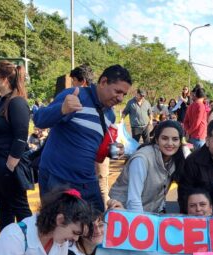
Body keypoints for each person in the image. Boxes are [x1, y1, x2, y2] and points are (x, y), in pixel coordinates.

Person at [35, 65, 132, 211]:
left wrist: (113, 151)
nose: (120, 98)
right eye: (117, 91)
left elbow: (96, 148)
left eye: (124, 94)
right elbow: (39, 119)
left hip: (88, 180)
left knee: (98, 219)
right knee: (60, 223)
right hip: (59, 180)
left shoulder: (110, 115)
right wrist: (61, 109)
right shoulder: (76, 95)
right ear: (103, 82)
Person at [0, 60, 31, 232]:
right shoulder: (1, 101)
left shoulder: (16, 103)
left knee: (19, 206)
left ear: (4, 80)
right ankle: (7, 242)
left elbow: (21, 136)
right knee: (3, 206)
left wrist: (10, 165)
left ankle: (29, 242)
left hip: (7, 163)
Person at [107, 120, 186, 212]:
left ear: (180, 142)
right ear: (157, 140)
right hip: (125, 211)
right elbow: (134, 200)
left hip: (149, 213)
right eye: (164, 138)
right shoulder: (141, 159)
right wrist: (141, 220)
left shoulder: (175, 159)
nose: (170, 143)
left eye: (175, 139)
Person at [66, 66, 112, 207]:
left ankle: (103, 216)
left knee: (101, 188)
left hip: (97, 157)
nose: (72, 85)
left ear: (83, 81)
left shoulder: (104, 104)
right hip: (82, 163)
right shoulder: (72, 101)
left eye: (74, 81)